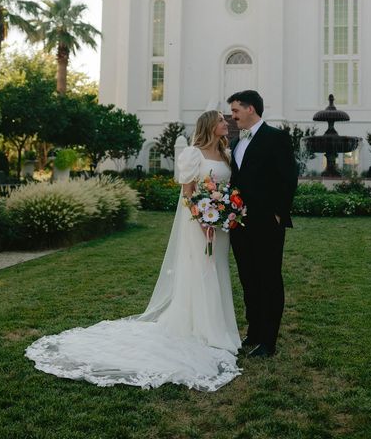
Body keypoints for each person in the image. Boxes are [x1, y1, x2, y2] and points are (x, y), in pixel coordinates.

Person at [25, 110, 241, 391]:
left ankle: (219, 326)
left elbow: (225, 189)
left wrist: (224, 213)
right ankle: (204, 329)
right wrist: (204, 220)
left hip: (219, 225)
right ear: (211, 126)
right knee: (203, 270)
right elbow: (188, 193)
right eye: (223, 121)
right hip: (199, 225)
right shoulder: (193, 154)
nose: (227, 123)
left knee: (218, 268)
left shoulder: (225, 154)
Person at [227, 90, 298, 358]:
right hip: (240, 225)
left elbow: (289, 178)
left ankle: (269, 340)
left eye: (236, 111)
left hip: (267, 224)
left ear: (251, 109)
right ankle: (254, 332)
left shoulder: (276, 138)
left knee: (269, 279)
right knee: (248, 280)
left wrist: (279, 213)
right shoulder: (236, 143)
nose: (233, 117)